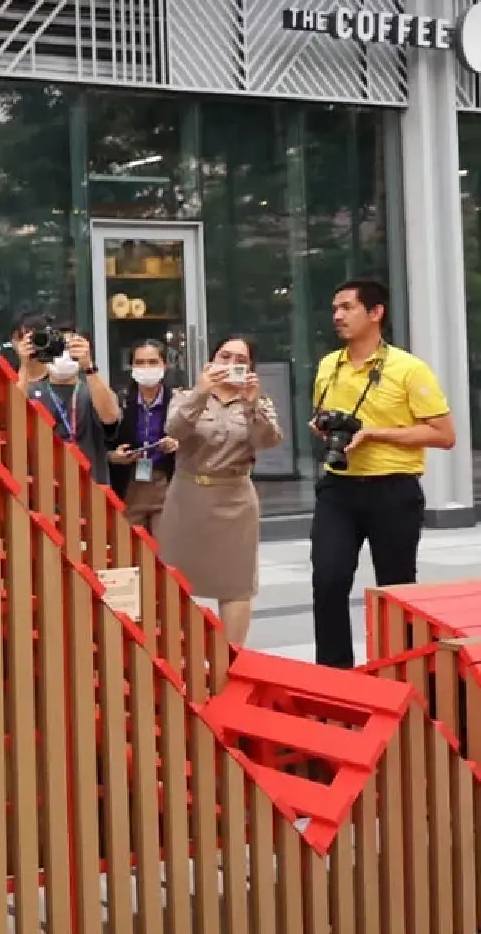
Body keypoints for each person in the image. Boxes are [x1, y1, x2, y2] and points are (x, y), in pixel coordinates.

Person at [307, 278, 455, 669]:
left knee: (396, 588)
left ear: (376, 313)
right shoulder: (328, 366)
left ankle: (400, 672)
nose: (337, 316)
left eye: (347, 307)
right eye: (335, 308)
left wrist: (373, 433)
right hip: (337, 489)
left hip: (393, 491)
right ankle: (335, 676)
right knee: (328, 579)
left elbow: (444, 435)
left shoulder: (409, 369)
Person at [154, 336, 283, 649]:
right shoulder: (187, 396)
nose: (231, 365)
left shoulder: (259, 403)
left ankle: (231, 659)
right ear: (210, 362)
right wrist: (201, 391)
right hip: (187, 498)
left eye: (240, 360)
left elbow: (268, 440)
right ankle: (179, 657)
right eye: (225, 357)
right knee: (174, 582)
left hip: (234, 501)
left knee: (236, 586)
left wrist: (252, 402)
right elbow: (174, 430)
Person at [11, 313, 122, 487]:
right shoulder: (32, 390)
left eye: (71, 347)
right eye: (58, 347)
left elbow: (110, 417)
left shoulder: (93, 390)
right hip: (44, 491)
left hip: (91, 489)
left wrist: (89, 367)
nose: (64, 354)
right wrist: (25, 365)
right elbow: (13, 419)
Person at [106, 339, 180, 532]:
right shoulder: (119, 400)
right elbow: (103, 441)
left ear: (165, 364)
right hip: (130, 483)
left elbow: (193, 439)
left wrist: (176, 444)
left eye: (153, 362)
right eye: (140, 362)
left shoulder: (179, 401)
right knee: (132, 548)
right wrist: (113, 456)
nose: (146, 367)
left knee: (164, 549)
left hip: (166, 483)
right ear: (131, 366)